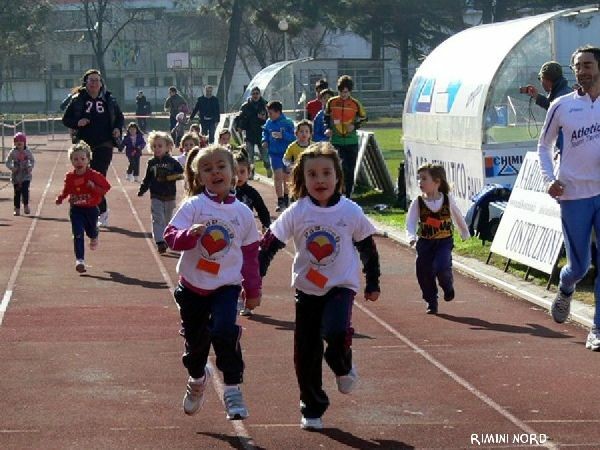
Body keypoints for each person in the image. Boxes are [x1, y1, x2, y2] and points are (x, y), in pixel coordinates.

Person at [258, 142, 380, 430]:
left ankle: (342, 364)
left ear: (338, 176)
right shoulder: (298, 211)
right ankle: (312, 407)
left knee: (336, 330)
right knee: (306, 350)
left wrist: (373, 281)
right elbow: (269, 245)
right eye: (312, 175)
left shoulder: (350, 211)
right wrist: (255, 277)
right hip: (307, 290)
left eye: (326, 173)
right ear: (302, 179)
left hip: (341, 287)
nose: (320, 180)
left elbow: (368, 248)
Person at [163, 144, 261, 420]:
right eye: (207, 169)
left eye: (221, 166)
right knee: (196, 346)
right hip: (193, 288)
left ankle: (232, 389)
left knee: (224, 331)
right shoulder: (194, 206)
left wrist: (253, 290)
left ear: (234, 173)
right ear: (199, 176)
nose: (215, 172)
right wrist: (188, 236)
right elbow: (171, 236)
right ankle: (197, 379)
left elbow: (251, 255)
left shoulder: (242, 213)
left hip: (226, 288)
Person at [538, 45, 600, 351]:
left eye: (587, 65)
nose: (582, 71)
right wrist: (550, 180)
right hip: (574, 195)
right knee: (580, 266)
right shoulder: (561, 106)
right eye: (577, 66)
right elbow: (543, 146)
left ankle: (597, 328)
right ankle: (566, 286)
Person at [62, 69, 124, 227]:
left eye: (97, 80)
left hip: (104, 143)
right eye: (91, 80)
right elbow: (66, 119)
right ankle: (90, 210)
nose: (95, 83)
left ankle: (102, 212)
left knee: (97, 177)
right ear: (86, 83)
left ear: (101, 83)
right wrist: (78, 122)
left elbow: (119, 118)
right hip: (84, 145)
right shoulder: (78, 100)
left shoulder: (109, 99)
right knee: (84, 178)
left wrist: (117, 128)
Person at [406, 163, 471, 314]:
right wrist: (411, 237)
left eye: (424, 179)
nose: (420, 183)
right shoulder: (418, 202)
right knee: (424, 271)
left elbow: (458, 216)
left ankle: (447, 286)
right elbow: (410, 222)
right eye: (418, 179)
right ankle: (431, 301)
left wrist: (464, 232)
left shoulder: (447, 200)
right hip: (425, 242)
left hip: (444, 241)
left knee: (442, 267)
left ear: (437, 182)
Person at [55, 142, 111, 273]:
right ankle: (80, 260)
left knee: (91, 231)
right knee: (78, 234)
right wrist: (61, 198)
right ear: (71, 161)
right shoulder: (70, 177)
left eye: (82, 159)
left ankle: (94, 236)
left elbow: (106, 188)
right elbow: (66, 189)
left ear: (88, 159)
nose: (79, 162)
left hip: (91, 209)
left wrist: (94, 187)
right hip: (76, 210)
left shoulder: (94, 175)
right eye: (75, 159)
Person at [233, 149, 271, 316]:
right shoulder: (225, 192)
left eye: (242, 172)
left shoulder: (251, 193)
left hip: (247, 238)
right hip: (229, 238)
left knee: (248, 268)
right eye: (234, 172)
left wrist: (266, 225)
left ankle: (250, 296)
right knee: (233, 269)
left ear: (249, 172)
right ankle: (237, 298)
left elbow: (262, 210)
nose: (238, 176)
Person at [138, 131, 184, 254]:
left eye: (160, 146)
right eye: (154, 146)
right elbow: (147, 178)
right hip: (156, 195)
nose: (157, 149)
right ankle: (160, 242)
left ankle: (168, 238)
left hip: (170, 196)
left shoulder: (172, 162)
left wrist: (169, 176)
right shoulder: (151, 163)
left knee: (168, 219)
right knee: (157, 218)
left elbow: (181, 174)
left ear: (168, 147)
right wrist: (143, 188)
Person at [324, 75, 367, 198]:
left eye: (346, 92)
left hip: (351, 141)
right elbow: (326, 116)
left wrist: (354, 125)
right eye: (341, 92)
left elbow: (364, 118)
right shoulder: (331, 102)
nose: (343, 95)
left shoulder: (355, 104)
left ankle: (347, 195)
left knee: (350, 169)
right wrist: (328, 127)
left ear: (350, 91)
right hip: (336, 141)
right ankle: (337, 193)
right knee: (339, 168)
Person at [261, 100, 295, 212]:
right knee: (278, 176)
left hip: (287, 154)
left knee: (287, 177)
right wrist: (265, 141)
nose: (269, 115)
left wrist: (283, 135)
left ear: (278, 112)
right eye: (268, 113)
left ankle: (286, 197)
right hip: (274, 154)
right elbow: (265, 133)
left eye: (270, 113)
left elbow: (293, 138)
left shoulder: (288, 122)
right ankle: (280, 200)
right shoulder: (269, 123)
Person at [236, 87, 271, 177]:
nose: (255, 95)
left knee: (265, 156)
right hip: (249, 133)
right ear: (251, 95)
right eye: (253, 94)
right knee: (249, 156)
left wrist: (265, 118)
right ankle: (251, 173)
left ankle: (268, 169)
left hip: (262, 133)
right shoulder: (245, 106)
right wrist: (239, 126)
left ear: (260, 94)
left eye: (257, 93)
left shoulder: (265, 105)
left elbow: (271, 118)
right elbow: (240, 118)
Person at [5, 132, 34, 216]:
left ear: (24, 143)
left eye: (21, 144)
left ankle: (26, 205)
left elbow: (32, 160)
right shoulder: (13, 152)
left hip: (25, 175)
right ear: (14, 144)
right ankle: (16, 208)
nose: (19, 146)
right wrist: (11, 168)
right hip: (16, 175)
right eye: (17, 144)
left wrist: (30, 167)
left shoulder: (27, 151)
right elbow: (7, 161)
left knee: (25, 191)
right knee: (17, 193)